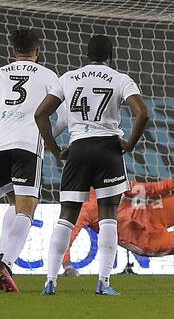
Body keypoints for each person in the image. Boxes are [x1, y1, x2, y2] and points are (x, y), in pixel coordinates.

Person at [35, 34, 148, 297]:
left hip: (78, 149)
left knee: (67, 216)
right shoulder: (120, 78)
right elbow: (142, 113)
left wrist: (55, 150)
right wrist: (129, 144)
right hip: (108, 150)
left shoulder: (68, 78)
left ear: (87, 55)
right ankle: (104, 282)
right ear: (111, 55)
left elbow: (41, 114)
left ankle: (50, 281)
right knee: (108, 214)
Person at [0, 27, 62, 293]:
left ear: (13, 51)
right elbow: (62, 116)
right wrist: (51, 139)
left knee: (15, 203)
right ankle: (5, 261)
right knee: (27, 209)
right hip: (27, 144)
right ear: (37, 51)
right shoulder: (49, 75)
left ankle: (2, 257)